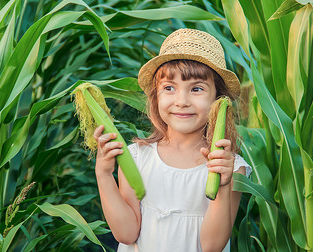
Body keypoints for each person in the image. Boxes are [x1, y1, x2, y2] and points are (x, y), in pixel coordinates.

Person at [93, 28, 252, 252]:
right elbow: (126, 234)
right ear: (156, 95)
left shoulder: (229, 167)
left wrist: (224, 187)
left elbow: (212, 246)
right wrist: (104, 174)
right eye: (169, 88)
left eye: (196, 88)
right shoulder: (137, 157)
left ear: (218, 99)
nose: (181, 101)